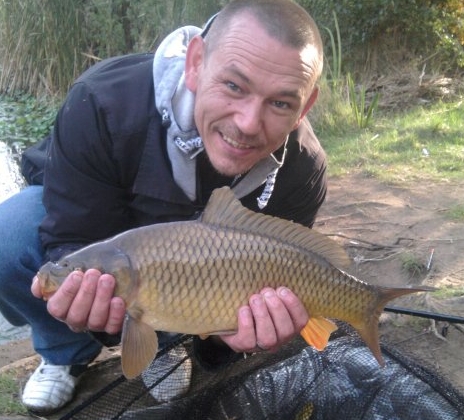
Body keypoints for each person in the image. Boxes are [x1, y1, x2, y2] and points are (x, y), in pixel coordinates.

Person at [0, 0, 326, 414]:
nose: (247, 123)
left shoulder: (305, 168)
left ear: (305, 107)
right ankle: (64, 350)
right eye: (233, 86)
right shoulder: (102, 101)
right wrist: (79, 292)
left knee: (212, 297)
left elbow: (285, 270)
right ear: (195, 64)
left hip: (203, 275)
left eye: (280, 103)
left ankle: (168, 340)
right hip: (114, 230)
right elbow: (72, 235)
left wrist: (228, 341)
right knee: (8, 236)